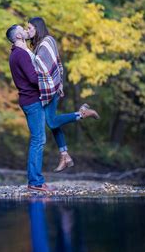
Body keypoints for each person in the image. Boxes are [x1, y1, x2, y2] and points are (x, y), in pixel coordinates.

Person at [26, 17, 100, 172]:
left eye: (30, 28)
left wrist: (25, 49)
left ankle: (82, 114)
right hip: (52, 86)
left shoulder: (46, 42)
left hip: (50, 87)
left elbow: (43, 65)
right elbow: (56, 63)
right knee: (53, 122)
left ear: (37, 28)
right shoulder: (42, 43)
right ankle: (65, 155)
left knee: (52, 122)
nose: (28, 31)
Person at [7, 24, 53, 192]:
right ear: (18, 36)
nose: (26, 31)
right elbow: (34, 79)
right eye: (23, 29)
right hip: (32, 100)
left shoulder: (20, 53)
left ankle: (36, 180)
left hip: (30, 99)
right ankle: (35, 181)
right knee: (38, 140)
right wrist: (50, 79)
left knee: (38, 139)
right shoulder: (20, 55)